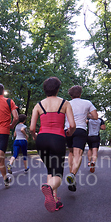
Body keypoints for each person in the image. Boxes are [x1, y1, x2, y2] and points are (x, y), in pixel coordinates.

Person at [30, 77, 75, 212]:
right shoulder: (65, 103)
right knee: (58, 175)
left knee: (50, 169)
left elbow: (32, 128)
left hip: (42, 139)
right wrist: (69, 133)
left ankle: (54, 200)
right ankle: (49, 187)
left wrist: (35, 137)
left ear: (44, 89)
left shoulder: (38, 105)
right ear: (58, 89)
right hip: (57, 138)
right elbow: (72, 125)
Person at [64, 85, 98, 192]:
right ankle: (72, 174)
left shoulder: (66, 103)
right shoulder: (87, 103)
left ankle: (71, 176)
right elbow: (95, 116)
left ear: (70, 94)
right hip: (80, 129)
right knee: (78, 153)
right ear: (80, 93)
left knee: (71, 153)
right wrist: (86, 115)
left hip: (68, 129)